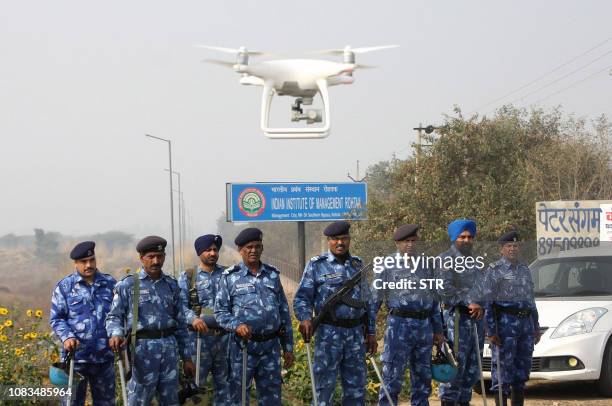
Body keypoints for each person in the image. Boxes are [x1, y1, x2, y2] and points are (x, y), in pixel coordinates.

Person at [293, 220, 377, 406]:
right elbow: (302, 298)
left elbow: (368, 302)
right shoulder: (316, 265)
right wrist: (306, 318)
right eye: (335, 239)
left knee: (356, 390)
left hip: (356, 335)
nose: (340, 243)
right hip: (328, 335)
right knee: (324, 388)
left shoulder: (358, 265)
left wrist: (371, 332)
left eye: (344, 238)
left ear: (349, 239)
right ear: (329, 241)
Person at [105, 236, 194, 405]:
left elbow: (180, 324)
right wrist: (116, 333)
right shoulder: (128, 285)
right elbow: (114, 316)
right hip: (141, 353)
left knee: (171, 400)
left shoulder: (171, 285)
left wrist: (187, 357)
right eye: (151, 257)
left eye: (159, 256)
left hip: (169, 350)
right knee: (139, 401)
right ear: (141, 258)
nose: (156, 261)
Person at [214, 227, 294, 406]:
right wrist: (236, 325)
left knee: (272, 398)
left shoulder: (272, 275)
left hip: (270, 349)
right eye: (249, 247)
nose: (253, 250)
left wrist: (288, 347)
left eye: (257, 246)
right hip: (243, 349)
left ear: (262, 248)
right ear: (240, 250)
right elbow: (220, 313)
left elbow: (283, 313)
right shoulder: (230, 277)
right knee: (239, 398)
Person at [373, 224, 444, 406]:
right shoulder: (386, 265)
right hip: (399, 327)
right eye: (406, 241)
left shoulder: (427, 265)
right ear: (397, 243)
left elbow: (434, 299)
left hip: (424, 328)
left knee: (422, 381)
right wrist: (369, 330)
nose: (410, 245)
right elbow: (375, 299)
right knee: (392, 378)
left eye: (413, 241)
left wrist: (438, 330)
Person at [50, 241, 117, 406]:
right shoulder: (65, 287)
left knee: (106, 403)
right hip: (75, 360)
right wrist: (67, 337)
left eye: (92, 260)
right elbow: (57, 318)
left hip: (104, 359)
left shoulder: (110, 284)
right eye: (83, 262)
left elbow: (118, 314)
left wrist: (117, 333)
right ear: (75, 263)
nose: (89, 265)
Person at [482, 231, 540, 406]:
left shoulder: (524, 269)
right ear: (501, 249)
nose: (512, 249)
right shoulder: (494, 271)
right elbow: (488, 302)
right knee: (502, 372)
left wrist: (536, 326)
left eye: (515, 246)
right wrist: (491, 331)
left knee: (521, 372)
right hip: (505, 325)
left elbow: (531, 300)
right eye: (509, 246)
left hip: (525, 325)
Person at [435, 219, 485, 406]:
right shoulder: (445, 259)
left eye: (470, 237)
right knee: (454, 369)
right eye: (462, 237)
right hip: (456, 320)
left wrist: (481, 303)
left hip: (476, 323)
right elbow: (444, 289)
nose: (466, 240)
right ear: (454, 238)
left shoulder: (477, 261)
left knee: (472, 371)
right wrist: (468, 301)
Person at [178, 234, 229, 405]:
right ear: (200, 252)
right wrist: (192, 319)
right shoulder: (188, 276)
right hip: (198, 342)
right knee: (197, 390)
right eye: (208, 250)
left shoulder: (229, 275)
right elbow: (179, 307)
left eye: (215, 250)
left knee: (226, 388)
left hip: (225, 341)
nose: (212, 253)